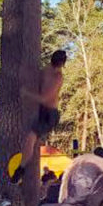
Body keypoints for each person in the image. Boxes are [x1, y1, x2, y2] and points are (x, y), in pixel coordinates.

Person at [10, 50, 67, 184]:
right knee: (30, 139)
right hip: (41, 111)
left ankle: (21, 169)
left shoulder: (58, 77)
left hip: (50, 114)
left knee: (31, 137)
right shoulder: (47, 70)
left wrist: (27, 94)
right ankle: (22, 167)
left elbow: (44, 98)